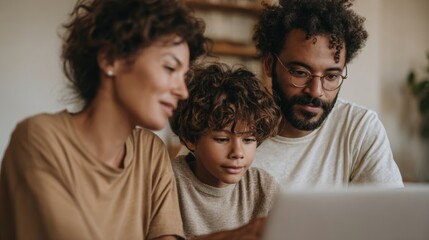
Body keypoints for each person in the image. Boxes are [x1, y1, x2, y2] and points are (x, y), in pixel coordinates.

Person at [0, 1, 265, 239]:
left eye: (183, 76)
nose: (182, 91)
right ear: (110, 58)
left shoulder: (150, 152)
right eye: (170, 68)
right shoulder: (39, 138)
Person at [251, 0, 403, 187]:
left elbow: (389, 213)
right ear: (269, 65)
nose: (316, 91)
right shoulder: (235, 136)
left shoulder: (359, 128)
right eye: (300, 72)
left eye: (331, 76)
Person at [169, 63, 281, 239]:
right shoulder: (169, 180)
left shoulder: (263, 187)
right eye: (222, 139)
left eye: (248, 140)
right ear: (190, 139)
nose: (237, 152)